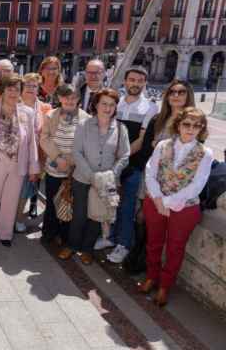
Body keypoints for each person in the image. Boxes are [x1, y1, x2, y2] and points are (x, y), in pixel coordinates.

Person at [140, 107, 212, 307]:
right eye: (187, 124)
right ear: (178, 125)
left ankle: (165, 286)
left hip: (185, 208)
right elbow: (150, 171)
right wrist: (157, 198)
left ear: (201, 129)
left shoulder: (205, 153)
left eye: (197, 125)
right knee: (153, 242)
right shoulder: (163, 145)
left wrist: (169, 203)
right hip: (155, 202)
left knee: (175, 248)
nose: (191, 129)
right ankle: (151, 277)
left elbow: (198, 184)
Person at [58, 88, 130, 265]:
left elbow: (124, 155)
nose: (107, 108)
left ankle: (87, 249)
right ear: (96, 105)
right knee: (79, 215)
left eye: (111, 105)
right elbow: (77, 151)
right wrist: (91, 176)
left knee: (95, 217)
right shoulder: (84, 125)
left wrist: (111, 174)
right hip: (83, 178)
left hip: (105, 182)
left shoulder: (121, 129)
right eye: (104, 103)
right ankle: (72, 245)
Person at [100, 66, 158, 263]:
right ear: (125, 82)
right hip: (111, 162)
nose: (136, 83)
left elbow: (142, 139)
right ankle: (111, 238)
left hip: (132, 165)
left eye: (140, 80)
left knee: (127, 206)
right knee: (110, 202)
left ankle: (123, 244)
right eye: (132, 79)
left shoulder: (150, 107)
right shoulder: (117, 103)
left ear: (145, 83)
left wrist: (121, 158)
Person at [0, 75, 40, 247]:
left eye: (16, 89)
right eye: (9, 89)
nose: (13, 92)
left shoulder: (27, 112)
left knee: (10, 201)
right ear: (2, 90)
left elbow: (32, 141)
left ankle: (5, 234)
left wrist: (34, 166)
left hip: (17, 164)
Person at [40, 84, 90, 246]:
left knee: (70, 204)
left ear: (78, 99)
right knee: (52, 202)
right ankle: (49, 233)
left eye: (73, 97)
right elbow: (45, 139)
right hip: (54, 168)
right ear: (60, 98)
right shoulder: (50, 115)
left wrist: (73, 162)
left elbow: (87, 145)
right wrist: (58, 158)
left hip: (74, 170)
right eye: (66, 97)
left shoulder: (86, 119)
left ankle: (65, 236)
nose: (70, 100)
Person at [16, 73, 52, 232]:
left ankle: (18, 218)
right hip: (13, 155)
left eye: (34, 86)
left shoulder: (46, 108)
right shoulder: (13, 103)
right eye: (27, 85)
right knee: (10, 189)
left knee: (26, 190)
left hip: (36, 156)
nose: (31, 88)